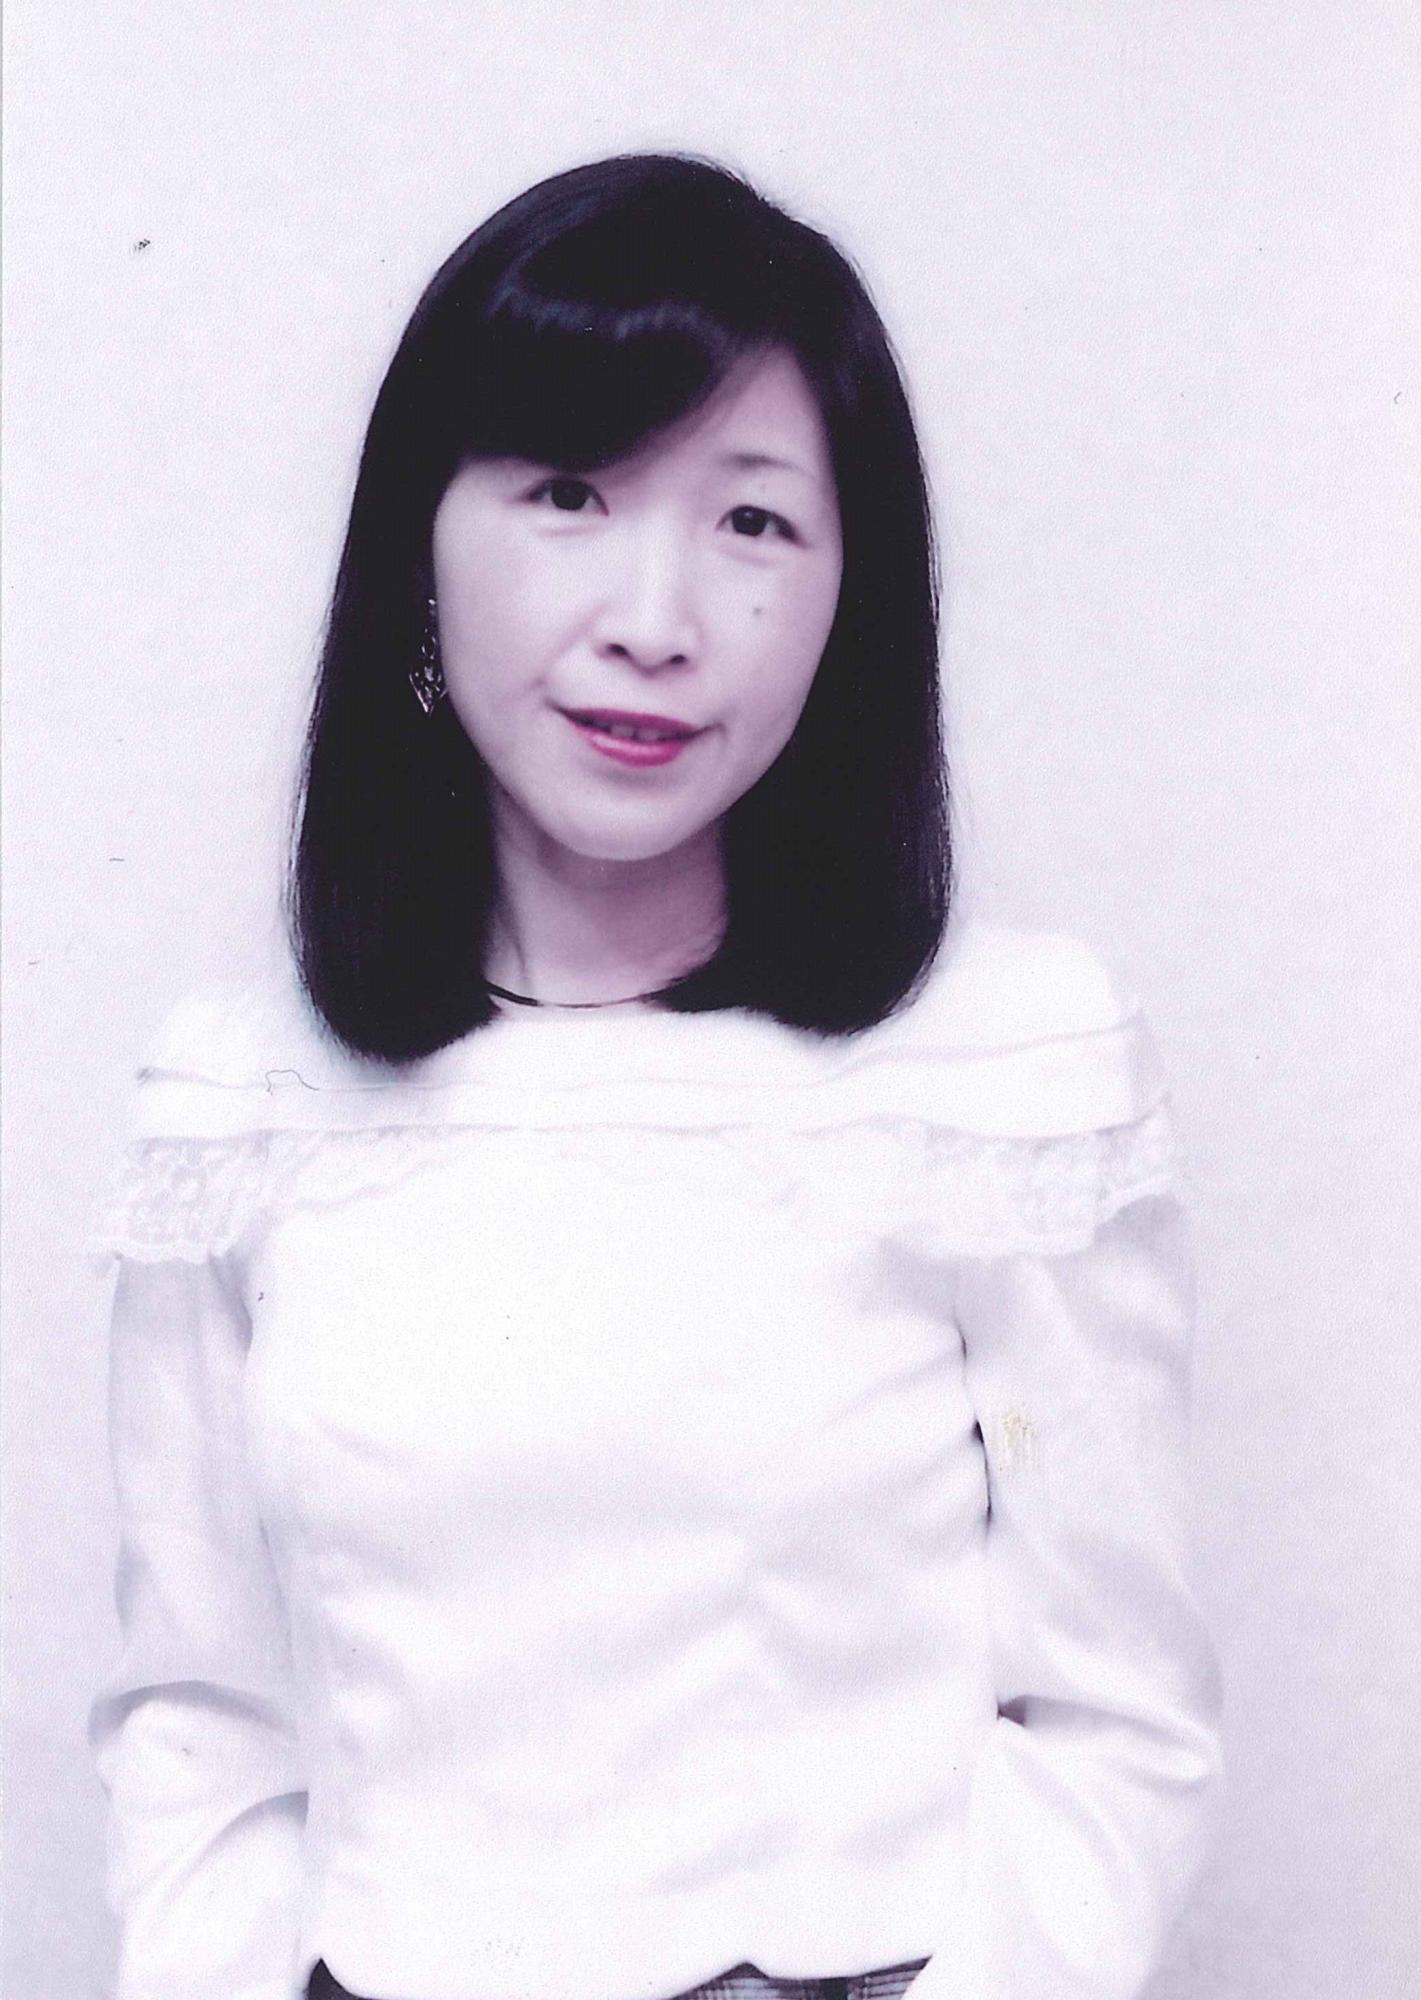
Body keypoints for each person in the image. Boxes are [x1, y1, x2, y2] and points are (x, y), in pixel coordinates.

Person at [88, 153, 1221, 2000]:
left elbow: (1114, 1724)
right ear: (418, 543)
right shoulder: (238, 1103)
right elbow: (205, 1736)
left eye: (753, 521)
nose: (655, 617)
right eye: (567, 492)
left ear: (852, 596)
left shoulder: (1003, 1070)